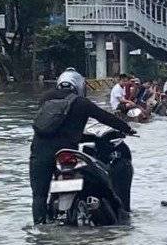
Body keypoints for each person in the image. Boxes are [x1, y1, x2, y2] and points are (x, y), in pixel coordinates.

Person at [29, 68, 136, 224]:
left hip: (39, 152)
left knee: (39, 196)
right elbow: (105, 117)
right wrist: (128, 129)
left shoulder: (45, 99)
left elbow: (53, 127)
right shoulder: (81, 102)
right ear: (79, 86)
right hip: (66, 153)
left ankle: (39, 230)